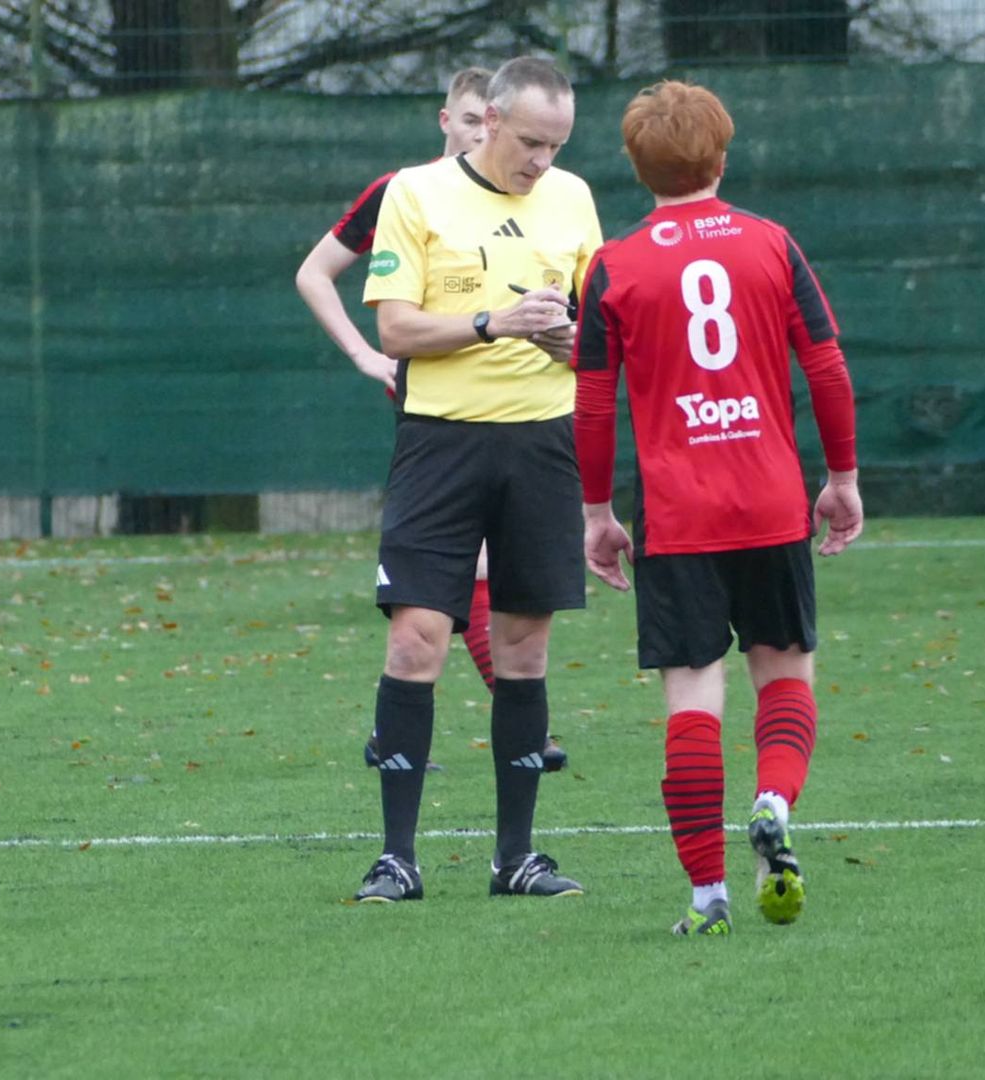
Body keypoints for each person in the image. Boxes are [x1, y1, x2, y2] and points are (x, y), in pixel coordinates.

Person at [572, 80, 863, 936]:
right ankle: (774, 800)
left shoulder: (614, 265)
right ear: (722, 158)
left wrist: (597, 513)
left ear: (637, 167)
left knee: (693, 696)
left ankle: (707, 898)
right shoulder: (772, 243)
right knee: (785, 672)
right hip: (771, 502)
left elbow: (592, 404)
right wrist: (842, 478)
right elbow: (827, 366)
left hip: (678, 516)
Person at [351, 56, 601, 903]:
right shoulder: (416, 193)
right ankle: (396, 858)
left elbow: (601, 327)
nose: (542, 160)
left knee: (524, 646)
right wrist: (496, 322)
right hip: (440, 443)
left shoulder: (573, 198)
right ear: (489, 120)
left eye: (557, 145)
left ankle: (516, 859)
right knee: (415, 640)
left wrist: (571, 339)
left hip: (543, 444)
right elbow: (395, 331)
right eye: (531, 141)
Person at [294, 67, 567, 775]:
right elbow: (314, 272)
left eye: (488, 122)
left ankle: (478, 727)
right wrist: (364, 354)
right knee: (450, 582)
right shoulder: (405, 194)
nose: (480, 134)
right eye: (468, 121)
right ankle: (474, 727)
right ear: (447, 121)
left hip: (521, 422)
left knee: (479, 578)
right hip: (435, 413)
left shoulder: (540, 200)